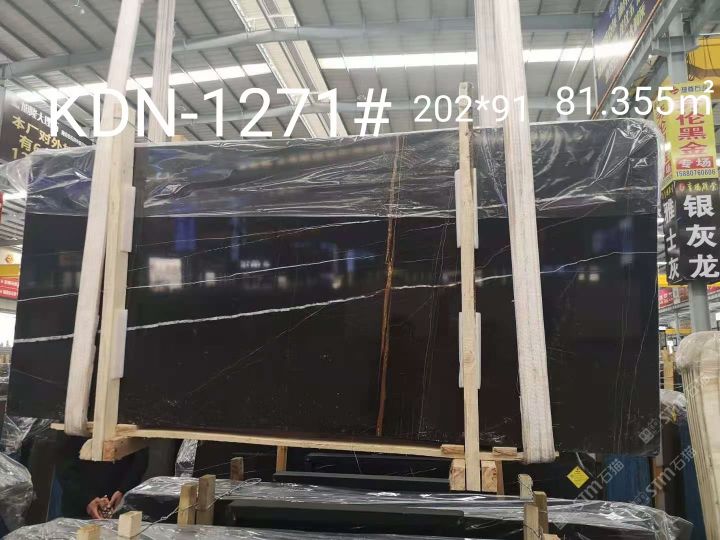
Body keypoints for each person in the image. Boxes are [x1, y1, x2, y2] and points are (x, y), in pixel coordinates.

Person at [53, 434, 148, 519]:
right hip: (78, 504)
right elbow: (63, 465)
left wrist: (124, 489)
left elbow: (140, 454)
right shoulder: (71, 426)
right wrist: (86, 499)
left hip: (116, 501)